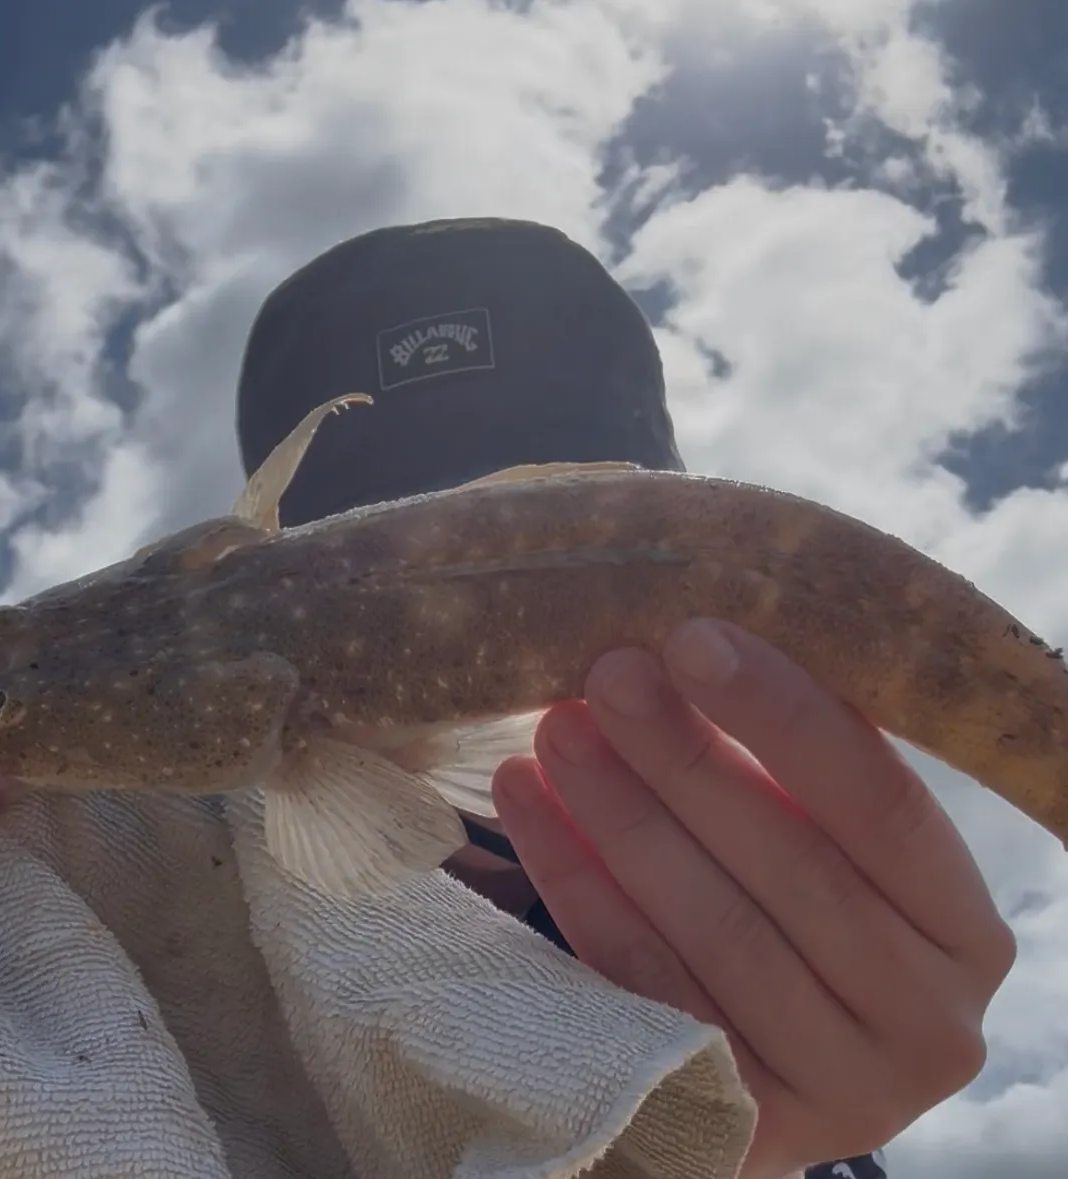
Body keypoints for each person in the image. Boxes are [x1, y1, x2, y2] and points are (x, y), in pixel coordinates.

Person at [235, 216, 1016, 1179]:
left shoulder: (786, 964)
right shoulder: (207, 954)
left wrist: (765, 1153)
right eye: (390, 625)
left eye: (591, 586)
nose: (504, 671)